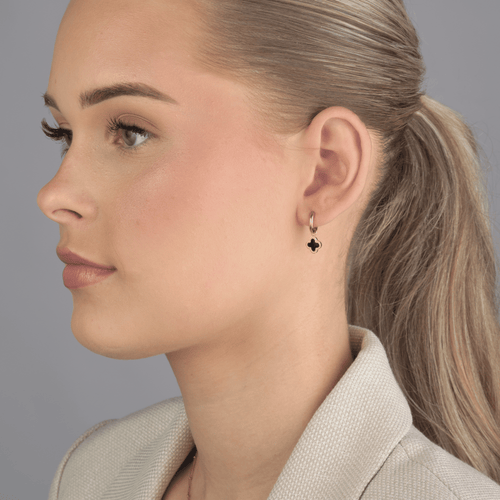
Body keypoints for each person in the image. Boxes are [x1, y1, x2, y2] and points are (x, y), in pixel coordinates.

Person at [38, 0, 500, 498]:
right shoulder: (93, 475)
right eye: (64, 134)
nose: (53, 195)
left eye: (131, 133)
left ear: (325, 171)